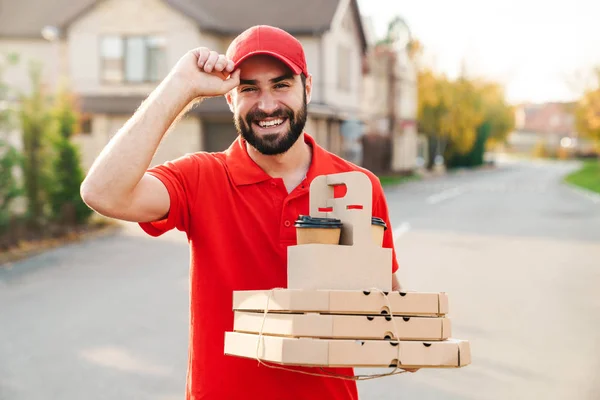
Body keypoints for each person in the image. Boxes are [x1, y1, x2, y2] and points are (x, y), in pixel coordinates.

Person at [81, 25, 406, 400]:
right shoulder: (201, 177)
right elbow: (102, 192)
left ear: (307, 87)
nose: (267, 105)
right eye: (249, 89)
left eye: (281, 85)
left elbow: (384, 301)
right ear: (231, 100)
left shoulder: (356, 185)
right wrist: (180, 86)